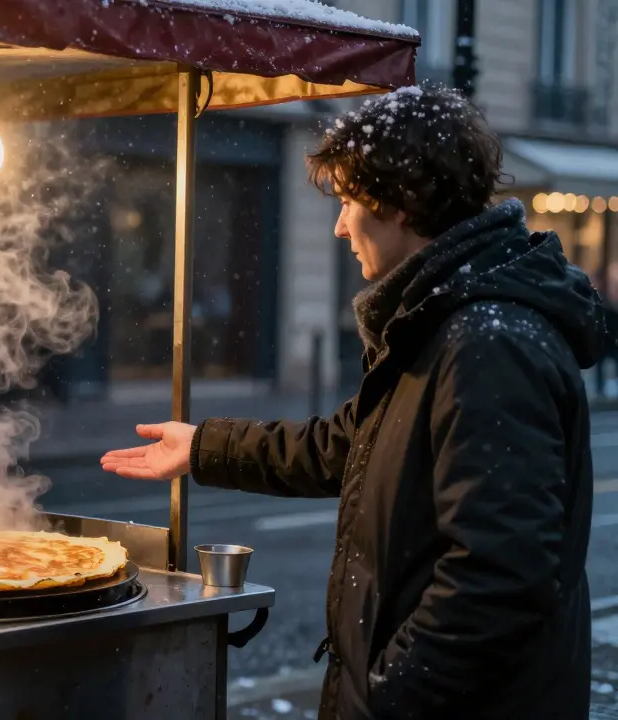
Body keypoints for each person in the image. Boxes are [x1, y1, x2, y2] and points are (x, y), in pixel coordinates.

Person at [101, 85, 600, 719]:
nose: (339, 225)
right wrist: (202, 446)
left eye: (347, 201)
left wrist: (386, 695)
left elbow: (497, 580)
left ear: (400, 203)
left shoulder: (485, 341)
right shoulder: (443, 322)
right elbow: (350, 445)